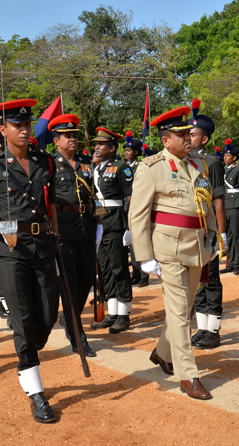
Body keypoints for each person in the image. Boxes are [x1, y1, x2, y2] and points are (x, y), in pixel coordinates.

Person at [0, 98, 60, 423]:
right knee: (25, 324)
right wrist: (1, 226)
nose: (24, 130)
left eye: (27, 125)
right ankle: (35, 390)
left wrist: (56, 234)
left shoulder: (45, 162)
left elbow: (49, 202)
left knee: (49, 317)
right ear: (3, 129)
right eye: (17, 126)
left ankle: (22, 331)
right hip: (10, 252)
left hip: (42, 246)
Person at [129, 106, 218, 400]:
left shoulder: (198, 165)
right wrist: (145, 256)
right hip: (167, 246)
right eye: (181, 135)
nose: (188, 138)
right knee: (181, 312)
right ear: (166, 141)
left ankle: (162, 352)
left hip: (196, 245)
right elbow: (138, 215)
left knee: (184, 307)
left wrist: (214, 236)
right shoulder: (151, 167)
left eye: (188, 133)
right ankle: (188, 374)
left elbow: (205, 204)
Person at [48, 113, 99, 357]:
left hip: (86, 226)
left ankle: (69, 319)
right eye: (67, 136)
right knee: (68, 285)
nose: (72, 140)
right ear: (56, 140)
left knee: (86, 281)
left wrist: (97, 223)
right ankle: (78, 335)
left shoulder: (86, 162)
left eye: (74, 136)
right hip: (63, 230)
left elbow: (92, 194)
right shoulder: (49, 164)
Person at [188, 99, 227, 350]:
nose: (188, 137)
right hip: (190, 230)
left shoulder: (211, 163)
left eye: (193, 134)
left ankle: (214, 329)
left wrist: (221, 236)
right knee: (197, 279)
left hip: (208, 230)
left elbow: (219, 202)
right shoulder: (184, 162)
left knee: (211, 279)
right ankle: (202, 326)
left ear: (204, 139)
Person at [89, 127, 134, 334]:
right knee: (106, 269)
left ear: (112, 148)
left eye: (101, 144)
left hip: (116, 222)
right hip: (100, 224)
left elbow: (130, 198)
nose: (97, 147)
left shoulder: (121, 167)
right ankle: (112, 313)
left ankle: (124, 315)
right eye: (96, 144)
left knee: (119, 268)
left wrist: (129, 227)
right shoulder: (95, 168)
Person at [123, 131, 149, 287]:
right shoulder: (125, 167)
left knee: (141, 239)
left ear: (136, 152)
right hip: (128, 205)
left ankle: (145, 275)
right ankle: (137, 273)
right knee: (132, 242)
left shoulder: (141, 166)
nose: (126, 153)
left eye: (129, 150)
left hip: (139, 204)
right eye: (125, 150)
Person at [221, 138, 239, 277]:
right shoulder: (222, 169)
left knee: (236, 235)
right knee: (229, 235)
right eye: (224, 155)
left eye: (228, 155)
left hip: (235, 204)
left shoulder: (238, 170)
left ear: (234, 157)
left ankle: (238, 264)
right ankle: (231, 262)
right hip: (225, 204)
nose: (225, 157)